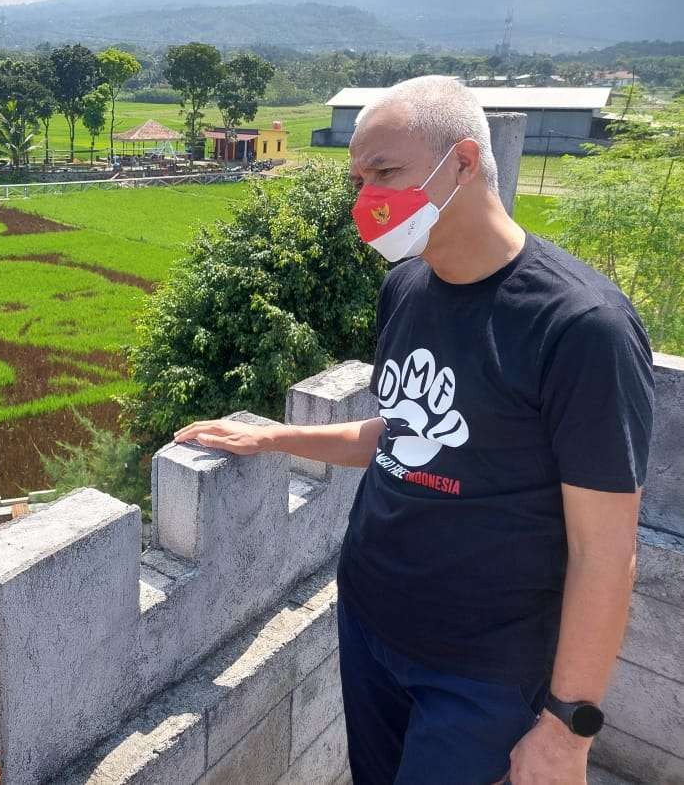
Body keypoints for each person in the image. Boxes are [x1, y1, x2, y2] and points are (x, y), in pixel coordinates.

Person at [176, 76, 654, 785]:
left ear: (463, 162)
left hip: (482, 672)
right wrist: (274, 438)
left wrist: (565, 729)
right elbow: (398, 434)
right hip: (371, 625)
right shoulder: (407, 286)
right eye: (359, 177)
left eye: (385, 172)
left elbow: (605, 549)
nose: (365, 199)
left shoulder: (581, 326)